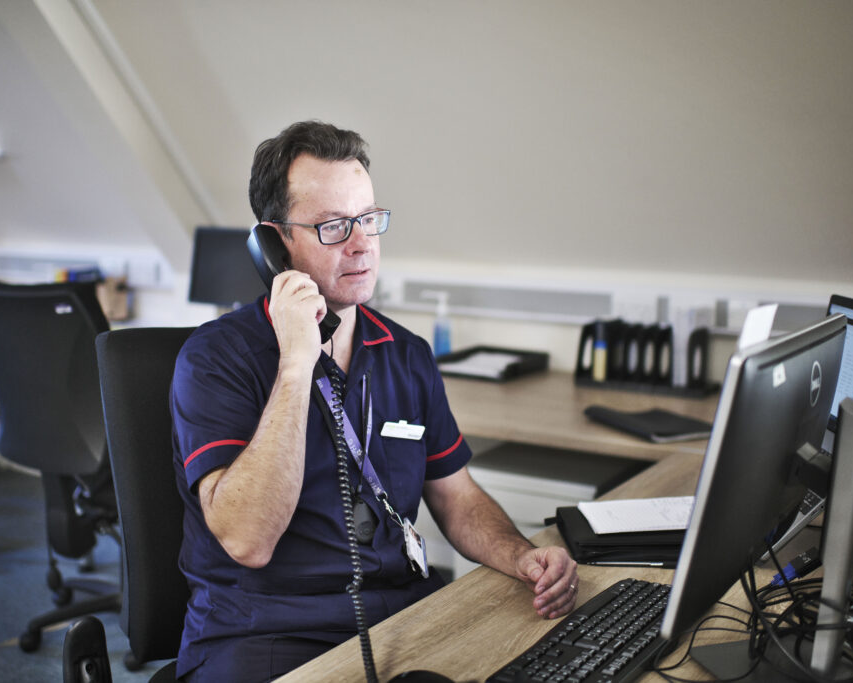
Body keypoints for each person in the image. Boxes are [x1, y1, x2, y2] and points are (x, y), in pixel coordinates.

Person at [170, 120, 579, 682]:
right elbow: (247, 540)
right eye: (335, 226)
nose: (362, 243)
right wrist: (295, 363)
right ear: (274, 242)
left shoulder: (404, 353)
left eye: (368, 219)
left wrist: (519, 555)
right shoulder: (217, 357)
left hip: (403, 613)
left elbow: (456, 496)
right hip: (264, 631)